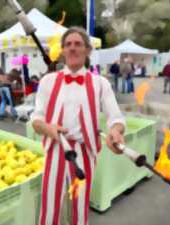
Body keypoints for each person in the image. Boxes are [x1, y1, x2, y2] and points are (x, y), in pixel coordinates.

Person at [31, 27, 125, 225]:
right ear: (63, 51)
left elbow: (115, 117)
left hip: (84, 152)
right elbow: (36, 120)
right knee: (50, 208)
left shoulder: (101, 83)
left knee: (80, 208)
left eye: (78, 44)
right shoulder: (48, 81)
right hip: (55, 149)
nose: (72, 48)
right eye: (68, 44)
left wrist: (115, 132)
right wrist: (49, 129)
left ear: (88, 50)